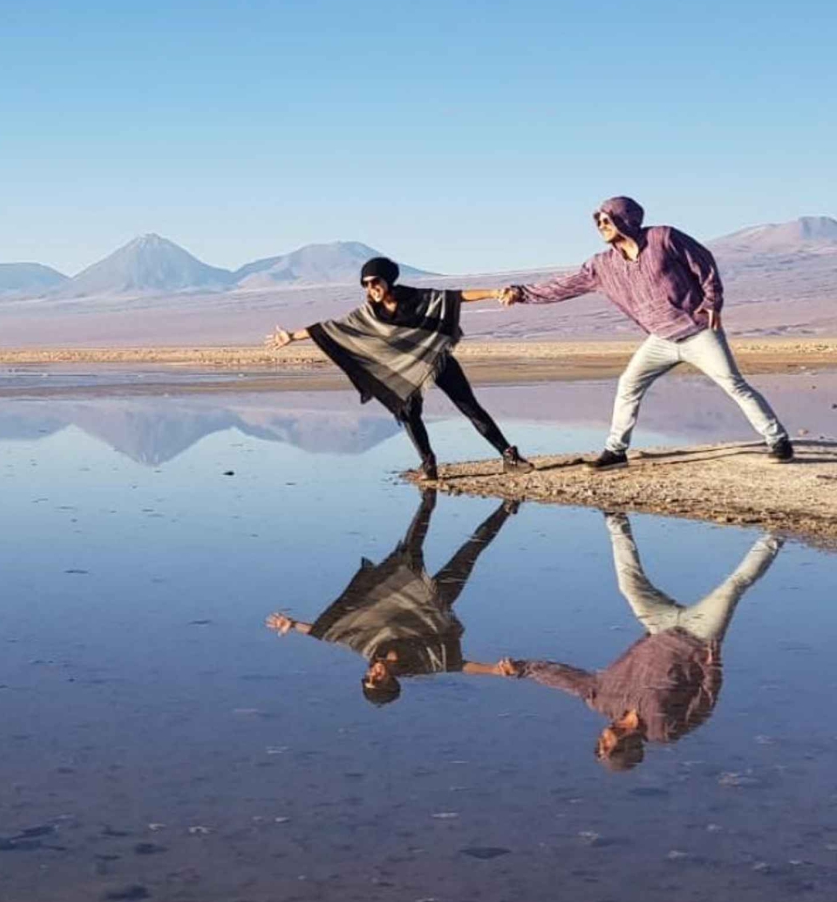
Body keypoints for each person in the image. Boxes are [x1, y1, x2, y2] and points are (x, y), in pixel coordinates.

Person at [501, 196, 792, 468]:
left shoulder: (663, 238)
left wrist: (712, 302)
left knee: (734, 384)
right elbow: (563, 286)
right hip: (660, 339)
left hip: (698, 332)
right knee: (629, 385)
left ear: (625, 219)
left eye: (607, 219)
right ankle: (616, 451)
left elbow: (704, 263)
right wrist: (521, 293)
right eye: (598, 221)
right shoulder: (603, 265)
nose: (601, 226)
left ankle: (778, 441)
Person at [482, 513, 781, 770]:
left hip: (657, 626)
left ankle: (614, 516)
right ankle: (777, 533)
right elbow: (704, 704)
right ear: (625, 750)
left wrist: (522, 668)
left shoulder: (603, 700)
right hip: (699, 638)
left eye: (599, 745)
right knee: (733, 587)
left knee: (628, 583)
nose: (601, 739)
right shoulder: (664, 730)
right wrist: (713, 667)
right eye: (605, 747)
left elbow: (564, 678)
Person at [266, 256, 530, 481]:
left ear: (387, 280)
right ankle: (429, 465)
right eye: (366, 284)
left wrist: (494, 293)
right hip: (404, 369)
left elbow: (456, 297)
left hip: (437, 359)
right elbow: (331, 328)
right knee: (408, 412)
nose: (371, 289)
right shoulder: (368, 313)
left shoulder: (417, 297)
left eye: (375, 282)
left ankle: (508, 456)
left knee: (469, 407)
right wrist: (291, 336)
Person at [264, 489, 518, 705]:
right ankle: (507, 507)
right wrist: (494, 670)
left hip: (405, 587)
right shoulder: (418, 666)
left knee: (410, 547)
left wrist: (293, 625)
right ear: (391, 682)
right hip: (437, 601)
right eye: (377, 680)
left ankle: (429, 497)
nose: (372, 674)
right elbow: (458, 665)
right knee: (471, 550)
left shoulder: (369, 649)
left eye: (367, 679)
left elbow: (329, 634)